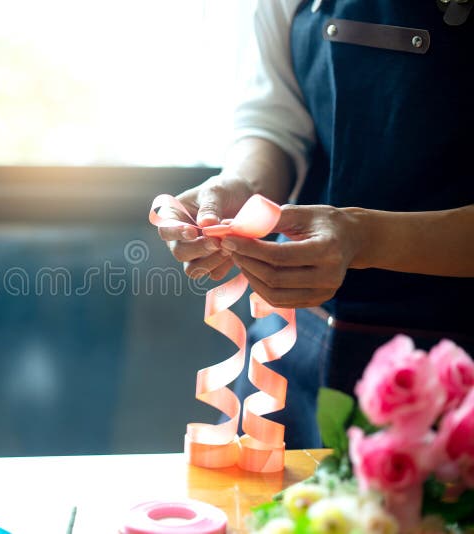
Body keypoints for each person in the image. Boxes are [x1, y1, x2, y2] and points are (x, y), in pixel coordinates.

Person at [158, 0, 474, 449]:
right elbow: (274, 123)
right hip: (291, 358)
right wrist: (242, 184)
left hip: (450, 374)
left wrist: (365, 238)